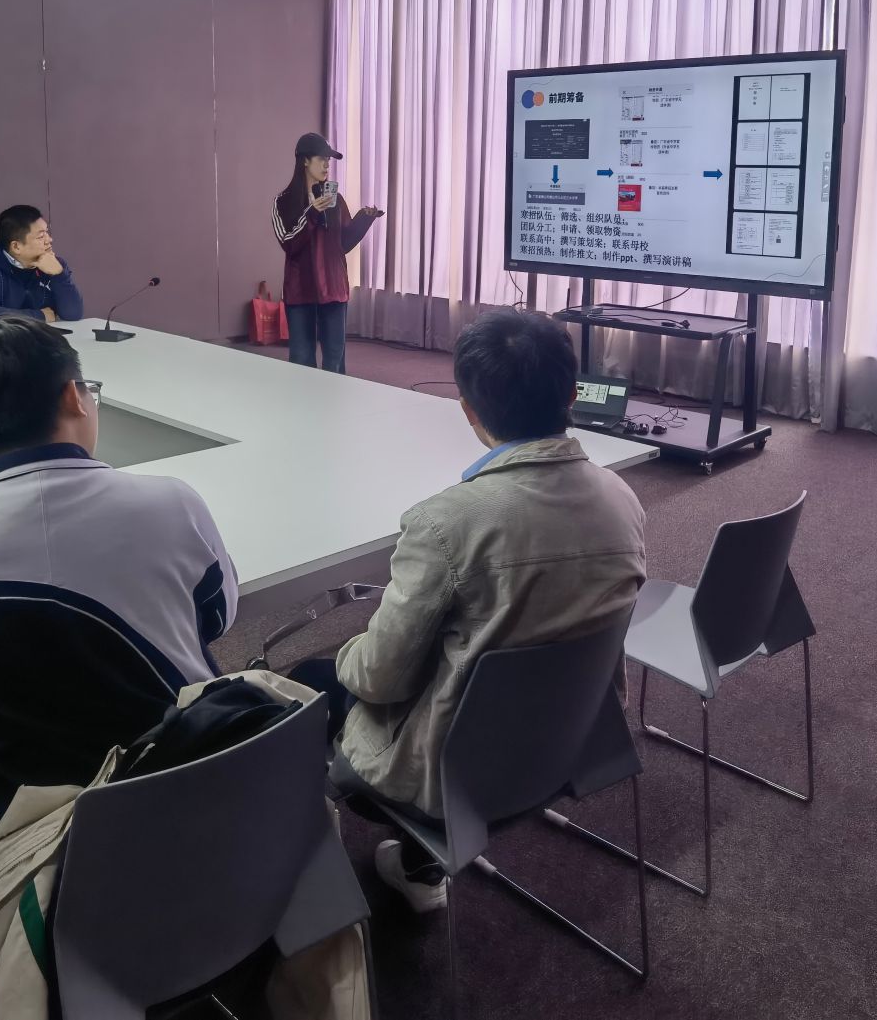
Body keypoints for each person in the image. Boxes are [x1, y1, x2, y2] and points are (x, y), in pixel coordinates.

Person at [0, 315, 238, 948]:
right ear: (76, 397)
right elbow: (215, 620)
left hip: (13, 819)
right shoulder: (173, 503)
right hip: (171, 792)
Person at [293, 310, 645, 913]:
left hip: (451, 776)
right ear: (572, 394)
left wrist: (346, 653)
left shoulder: (446, 523)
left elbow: (379, 679)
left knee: (308, 680)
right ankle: (418, 866)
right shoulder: (623, 498)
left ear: (468, 409)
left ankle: (316, 890)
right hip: (573, 741)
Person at [272, 132, 382, 373]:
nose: (326, 165)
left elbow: (343, 244)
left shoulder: (335, 199)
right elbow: (288, 243)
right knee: (302, 361)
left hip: (333, 288)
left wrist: (364, 220)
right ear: (304, 160)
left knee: (334, 362)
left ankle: (333, 399)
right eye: (321, 159)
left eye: (328, 161)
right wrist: (311, 214)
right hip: (300, 291)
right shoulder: (283, 202)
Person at [0, 205, 83, 327]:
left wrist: (59, 275)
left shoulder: (53, 264)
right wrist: (40, 316)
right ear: (16, 246)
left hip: (39, 336)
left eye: (47, 232)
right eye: (41, 236)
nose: (49, 240)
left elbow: (73, 313)